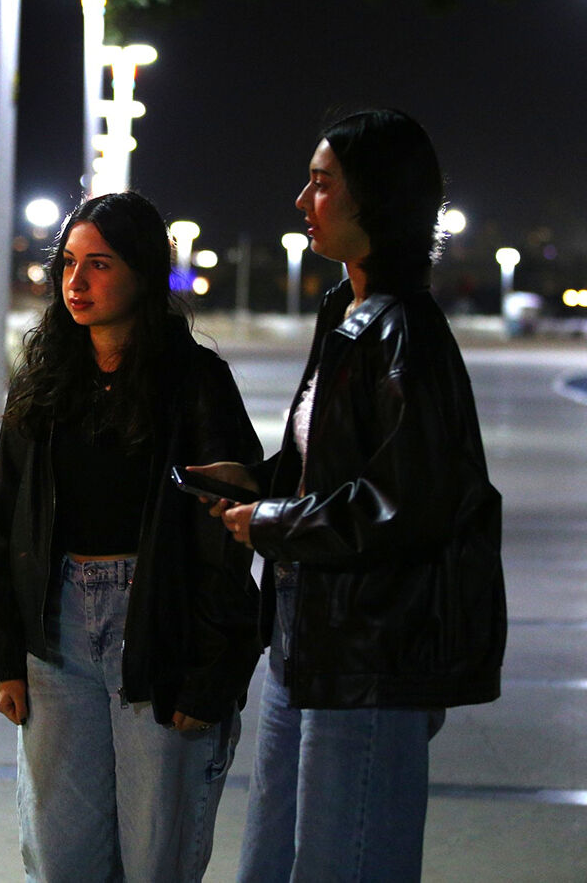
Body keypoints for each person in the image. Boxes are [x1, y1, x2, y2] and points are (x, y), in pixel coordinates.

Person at [190, 109, 507, 881]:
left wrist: (269, 521)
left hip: (370, 652)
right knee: (273, 859)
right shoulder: (347, 311)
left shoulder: (408, 333)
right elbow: (331, 470)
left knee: (347, 862)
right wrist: (257, 485)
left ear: (378, 200)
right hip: (307, 635)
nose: (303, 201)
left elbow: (405, 500)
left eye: (324, 184)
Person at [0, 191, 263, 881]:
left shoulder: (196, 381)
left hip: (159, 627)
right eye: (69, 264)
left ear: (142, 272)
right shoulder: (43, 380)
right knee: (62, 854)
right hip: (58, 632)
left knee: (155, 855)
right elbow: (5, 522)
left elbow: (229, 539)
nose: (76, 282)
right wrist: (5, 658)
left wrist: (212, 676)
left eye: (99, 264)